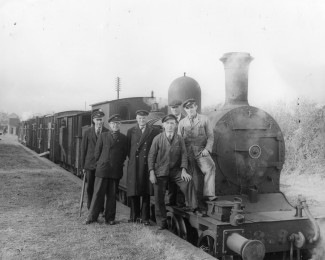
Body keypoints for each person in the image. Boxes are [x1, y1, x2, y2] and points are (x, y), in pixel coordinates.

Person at [148, 114, 198, 230]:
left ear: (175, 126)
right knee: (159, 197)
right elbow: (151, 156)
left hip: (175, 171)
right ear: (163, 125)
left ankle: (193, 206)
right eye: (168, 123)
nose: (170, 126)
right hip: (160, 172)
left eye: (172, 124)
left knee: (188, 181)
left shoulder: (179, 138)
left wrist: (184, 170)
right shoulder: (158, 138)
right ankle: (162, 222)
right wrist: (151, 172)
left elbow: (184, 155)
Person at [85, 114, 127, 225]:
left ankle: (110, 218)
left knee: (112, 195)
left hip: (115, 170)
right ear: (109, 124)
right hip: (102, 169)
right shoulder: (103, 136)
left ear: (120, 125)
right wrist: (102, 163)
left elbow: (124, 154)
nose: (115, 125)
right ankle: (92, 217)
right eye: (113, 123)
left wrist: (117, 163)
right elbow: (97, 153)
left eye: (117, 123)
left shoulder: (123, 138)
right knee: (98, 193)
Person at [178, 98, 217, 205]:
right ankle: (188, 201)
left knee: (211, 166)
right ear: (185, 110)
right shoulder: (182, 123)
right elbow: (179, 140)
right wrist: (182, 155)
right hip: (187, 153)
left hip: (201, 151)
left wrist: (207, 149)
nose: (190, 110)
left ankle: (209, 194)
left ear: (196, 107)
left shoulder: (204, 119)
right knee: (188, 175)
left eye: (191, 107)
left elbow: (210, 137)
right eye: (187, 108)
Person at [126, 110, 160, 225]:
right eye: (140, 118)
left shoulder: (154, 131)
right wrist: (132, 161)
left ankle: (145, 218)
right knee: (134, 191)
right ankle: (134, 216)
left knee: (146, 192)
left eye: (144, 118)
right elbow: (128, 149)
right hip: (134, 164)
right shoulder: (131, 131)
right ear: (136, 119)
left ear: (147, 119)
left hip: (146, 164)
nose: (142, 120)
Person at [80, 110, 108, 210]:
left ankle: (100, 208)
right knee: (90, 187)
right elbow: (83, 149)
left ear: (103, 120)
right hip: (89, 164)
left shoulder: (107, 132)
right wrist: (83, 166)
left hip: (101, 165)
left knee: (100, 188)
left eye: (101, 120)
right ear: (93, 120)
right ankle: (90, 207)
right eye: (97, 120)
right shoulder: (87, 132)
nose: (99, 122)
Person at [167, 99, 186, 207]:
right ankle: (171, 199)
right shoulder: (168, 120)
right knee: (171, 178)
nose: (174, 109)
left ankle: (180, 201)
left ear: (180, 107)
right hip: (171, 154)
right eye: (173, 107)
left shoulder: (186, 119)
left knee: (181, 177)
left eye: (176, 107)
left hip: (183, 152)